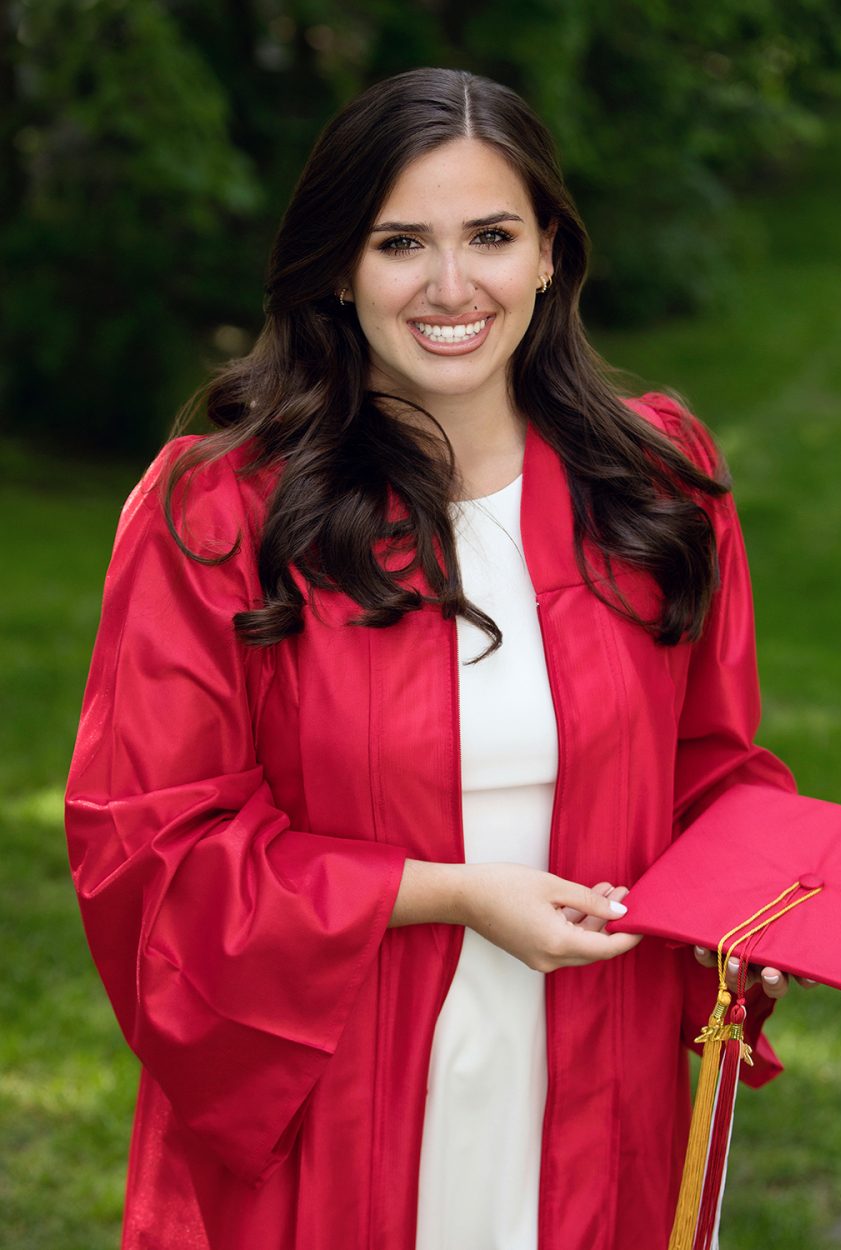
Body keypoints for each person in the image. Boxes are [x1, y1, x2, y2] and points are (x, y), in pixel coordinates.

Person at [65, 66, 803, 1250]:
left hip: (596, 1065)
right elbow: (154, 848)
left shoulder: (653, 486)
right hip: (342, 1088)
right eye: (400, 242)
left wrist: (756, 913)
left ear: (549, 252)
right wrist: (455, 894)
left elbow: (711, 763)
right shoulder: (220, 517)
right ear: (338, 269)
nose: (451, 286)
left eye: (491, 236)